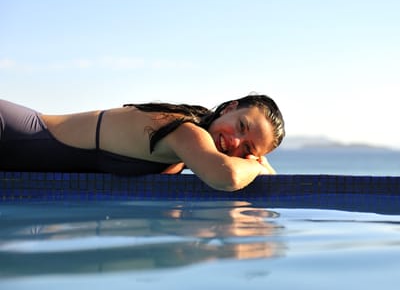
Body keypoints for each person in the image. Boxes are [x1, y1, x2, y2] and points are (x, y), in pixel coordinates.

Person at [0, 95, 285, 191]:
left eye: (246, 148)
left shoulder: (192, 152)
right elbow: (226, 176)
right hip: (11, 131)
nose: (234, 141)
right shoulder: (187, 131)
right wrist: (257, 167)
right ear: (229, 108)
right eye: (241, 126)